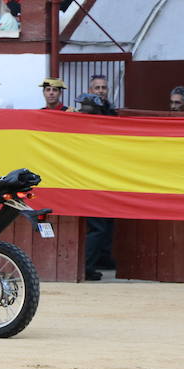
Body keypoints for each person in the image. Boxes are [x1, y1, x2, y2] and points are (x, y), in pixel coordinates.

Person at [73, 90, 116, 280]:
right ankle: (87, 267)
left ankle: (95, 261)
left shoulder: (76, 126)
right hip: (95, 182)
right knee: (99, 226)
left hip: (84, 181)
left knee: (101, 225)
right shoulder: (101, 127)